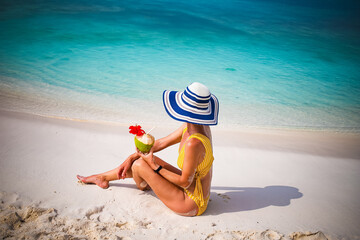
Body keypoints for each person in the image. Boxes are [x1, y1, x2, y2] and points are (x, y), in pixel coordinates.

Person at [77, 82, 219, 216]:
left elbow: (184, 182)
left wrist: (153, 166)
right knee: (138, 159)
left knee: (140, 165)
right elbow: (162, 143)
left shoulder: (193, 143)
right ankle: (102, 177)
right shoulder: (195, 127)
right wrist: (131, 157)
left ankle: (143, 184)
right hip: (192, 186)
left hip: (193, 202)